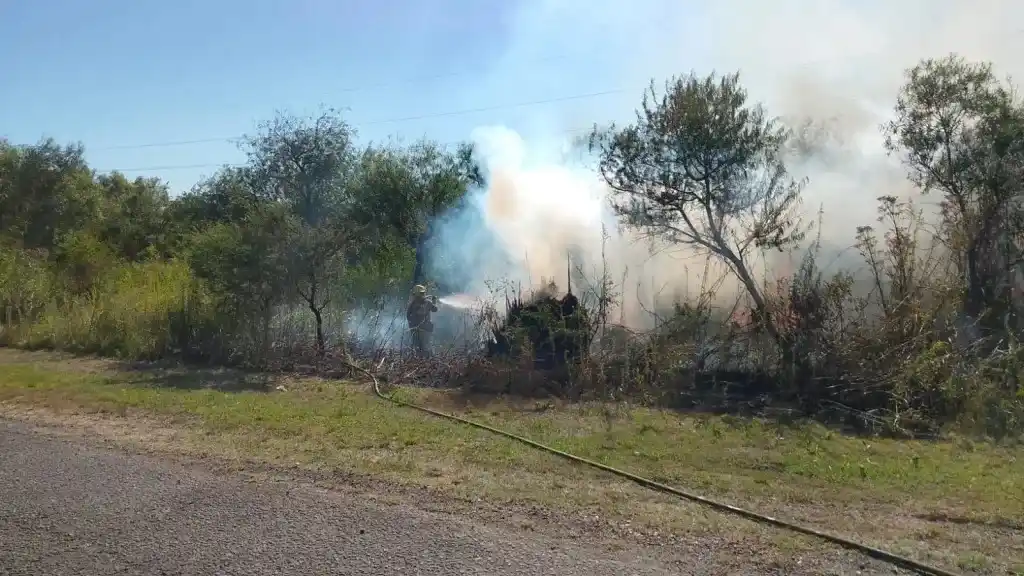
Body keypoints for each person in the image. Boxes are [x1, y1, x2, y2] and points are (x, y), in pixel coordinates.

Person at [406, 284, 437, 357]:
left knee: (418, 348)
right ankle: (426, 361)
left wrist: (412, 325)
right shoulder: (427, 302)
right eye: (422, 293)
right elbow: (435, 309)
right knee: (425, 348)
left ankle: (420, 361)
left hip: (415, 329)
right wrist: (434, 301)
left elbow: (408, 316)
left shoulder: (412, 304)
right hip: (424, 330)